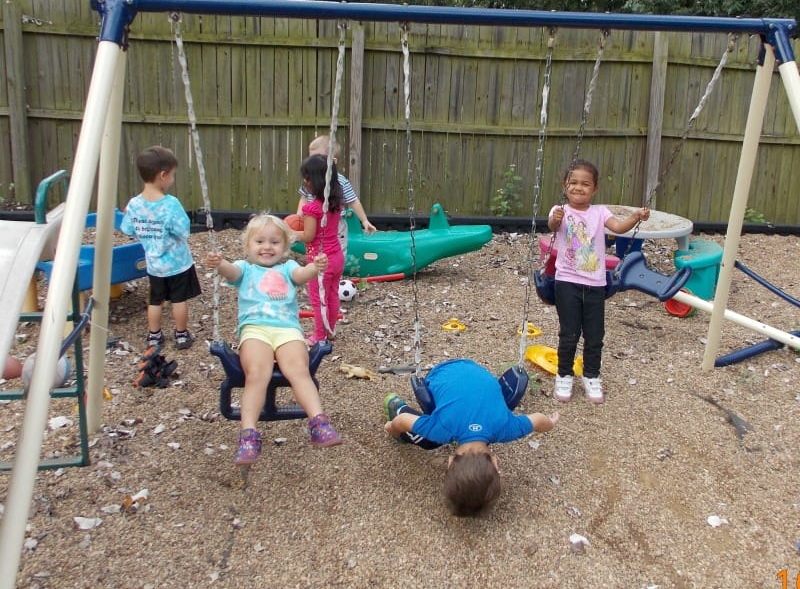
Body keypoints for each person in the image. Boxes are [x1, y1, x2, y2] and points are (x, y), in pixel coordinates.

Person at [205, 213, 342, 466]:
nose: (267, 247)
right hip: (255, 330)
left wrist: (315, 267)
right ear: (248, 246)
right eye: (259, 242)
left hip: (287, 330)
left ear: (285, 247)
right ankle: (248, 435)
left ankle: (319, 422)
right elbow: (231, 271)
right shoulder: (245, 269)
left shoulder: (288, 268)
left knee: (299, 369)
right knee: (257, 372)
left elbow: (302, 275)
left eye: (274, 242)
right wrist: (220, 262)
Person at [383, 359, 559, 517]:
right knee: (429, 440)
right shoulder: (440, 430)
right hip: (440, 372)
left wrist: (550, 424)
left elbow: (537, 419)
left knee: (497, 408)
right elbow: (402, 421)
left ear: (496, 464)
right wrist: (391, 429)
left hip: (476, 368)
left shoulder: (507, 428)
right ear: (450, 462)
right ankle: (397, 406)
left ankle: (401, 406)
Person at [547, 159, 650, 404]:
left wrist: (636, 217)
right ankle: (564, 375)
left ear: (595, 189)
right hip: (566, 281)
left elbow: (619, 227)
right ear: (565, 185)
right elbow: (552, 225)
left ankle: (591, 375)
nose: (578, 188)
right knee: (569, 333)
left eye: (585, 184)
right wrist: (556, 218)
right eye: (573, 183)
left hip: (595, 284)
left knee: (594, 335)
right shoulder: (560, 211)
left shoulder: (600, 212)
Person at [121, 146, 201, 350]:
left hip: (154, 264)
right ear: (162, 175)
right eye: (172, 175)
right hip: (177, 264)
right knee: (178, 300)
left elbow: (128, 228)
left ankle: (154, 335)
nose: (173, 180)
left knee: (155, 300)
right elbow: (183, 230)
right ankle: (181, 334)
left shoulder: (134, 204)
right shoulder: (171, 204)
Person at [294, 154, 346, 345]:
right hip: (337, 257)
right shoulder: (334, 204)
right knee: (332, 295)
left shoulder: (312, 209)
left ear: (314, 181)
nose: (304, 181)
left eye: (306, 177)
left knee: (318, 300)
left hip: (320, 262)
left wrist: (288, 233)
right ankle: (330, 330)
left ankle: (319, 336)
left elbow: (308, 236)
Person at [296, 135, 376, 257]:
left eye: (317, 158)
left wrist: (364, 220)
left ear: (332, 161)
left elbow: (353, 201)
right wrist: (298, 217)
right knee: (314, 248)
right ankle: (317, 271)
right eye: (311, 158)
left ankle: (336, 270)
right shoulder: (309, 180)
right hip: (313, 221)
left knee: (337, 250)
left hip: (335, 224)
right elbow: (304, 197)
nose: (312, 163)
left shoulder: (340, 181)